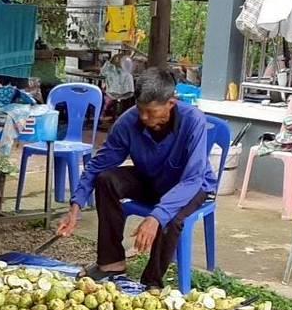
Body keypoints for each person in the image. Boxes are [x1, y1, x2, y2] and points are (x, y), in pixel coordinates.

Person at [56, 67, 217, 290]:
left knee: (172, 217)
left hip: (191, 186)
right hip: (153, 179)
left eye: (151, 112)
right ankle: (111, 262)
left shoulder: (193, 121)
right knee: (106, 180)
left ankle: (152, 282)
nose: (143, 117)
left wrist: (155, 217)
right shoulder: (128, 122)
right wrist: (76, 207)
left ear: (171, 103)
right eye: (140, 109)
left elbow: (192, 179)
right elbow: (98, 165)